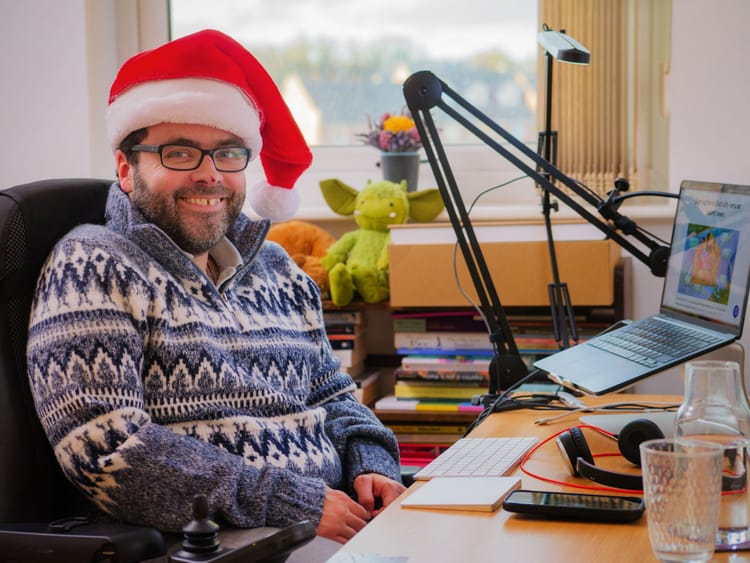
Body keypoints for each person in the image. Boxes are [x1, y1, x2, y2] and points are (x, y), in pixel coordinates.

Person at [26, 29, 405, 558]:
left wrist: (372, 463)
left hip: (332, 528)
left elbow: (332, 396)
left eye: (228, 153)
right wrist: (292, 502)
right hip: (226, 546)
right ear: (125, 166)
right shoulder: (92, 265)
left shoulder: (279, 271)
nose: (209, 175)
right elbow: (105, 448)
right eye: (179, 153)